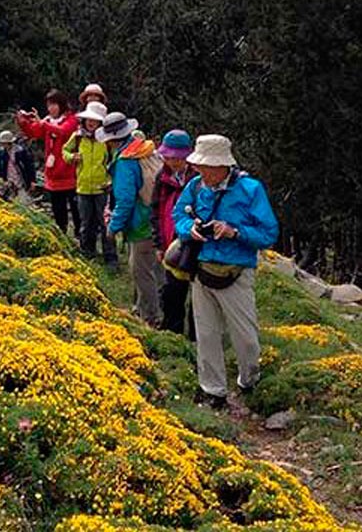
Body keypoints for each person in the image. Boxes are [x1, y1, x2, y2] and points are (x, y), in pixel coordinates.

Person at [172, 134, 279, 409]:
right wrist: (189, 230)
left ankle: (249, 381)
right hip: (201, 270)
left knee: (245, 337)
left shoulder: (250, 189)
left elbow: (269, 233)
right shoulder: (195, 187)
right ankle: (213, 392)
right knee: (206, 335)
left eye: (206, 167)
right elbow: (179, 216)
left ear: (223, 165)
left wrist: (235, 232)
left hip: (237, 273)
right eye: (199, 166)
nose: (201, 172)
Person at [98, 112, 162, 327]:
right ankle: (152, 310)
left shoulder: (125, 161)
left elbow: (125, 200)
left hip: (141, 223)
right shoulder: (144, 149)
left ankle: (150, 319)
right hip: (157, 217)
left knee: (141, 271)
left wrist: (113, 226)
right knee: (155, 268)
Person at [152, 130, 197, 337]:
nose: (171, 161)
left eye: (176, 158)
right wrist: (159, 244)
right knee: (172, 294)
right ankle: (173, 337)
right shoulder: (162, 177)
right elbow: (155, 212)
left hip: (195, 243)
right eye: (167, 157)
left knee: (198, 296)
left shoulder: (198, 178)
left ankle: (196, 340)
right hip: (171, 243)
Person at [16, 89, 80, 236]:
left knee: (76, 211)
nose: (51, 108)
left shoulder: (71, 119)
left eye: (54, 104)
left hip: (70, 173)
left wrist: (42, 124)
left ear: (62, 105)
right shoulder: (47, 121)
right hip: (53, 175)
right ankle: (63, 238)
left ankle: (80, 238)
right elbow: (34, 132)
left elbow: (63, 132)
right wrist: (23, 121)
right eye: (49, 105)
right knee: (58, 212)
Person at [64, 101, 118, 266]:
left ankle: (110, 257)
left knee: (105, 223)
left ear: (101, 122)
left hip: (102, 187)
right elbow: (64, 150)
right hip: (83, 188)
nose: (91, 122)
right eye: (89, 119)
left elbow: (115, 159)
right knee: (86, 223)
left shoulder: (107, 139)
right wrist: (72, 157)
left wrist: (111, 180)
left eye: (94, 120)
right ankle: (88, 253)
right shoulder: (78, 136)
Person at [0, 130, 36, 202]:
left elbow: (29, 166)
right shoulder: (1, 152)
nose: (3, 145)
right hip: (8, 180)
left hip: (21, 179)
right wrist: (1, 178)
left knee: (23, 201)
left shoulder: (21, 151)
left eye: (5, 143)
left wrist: (32, 180)